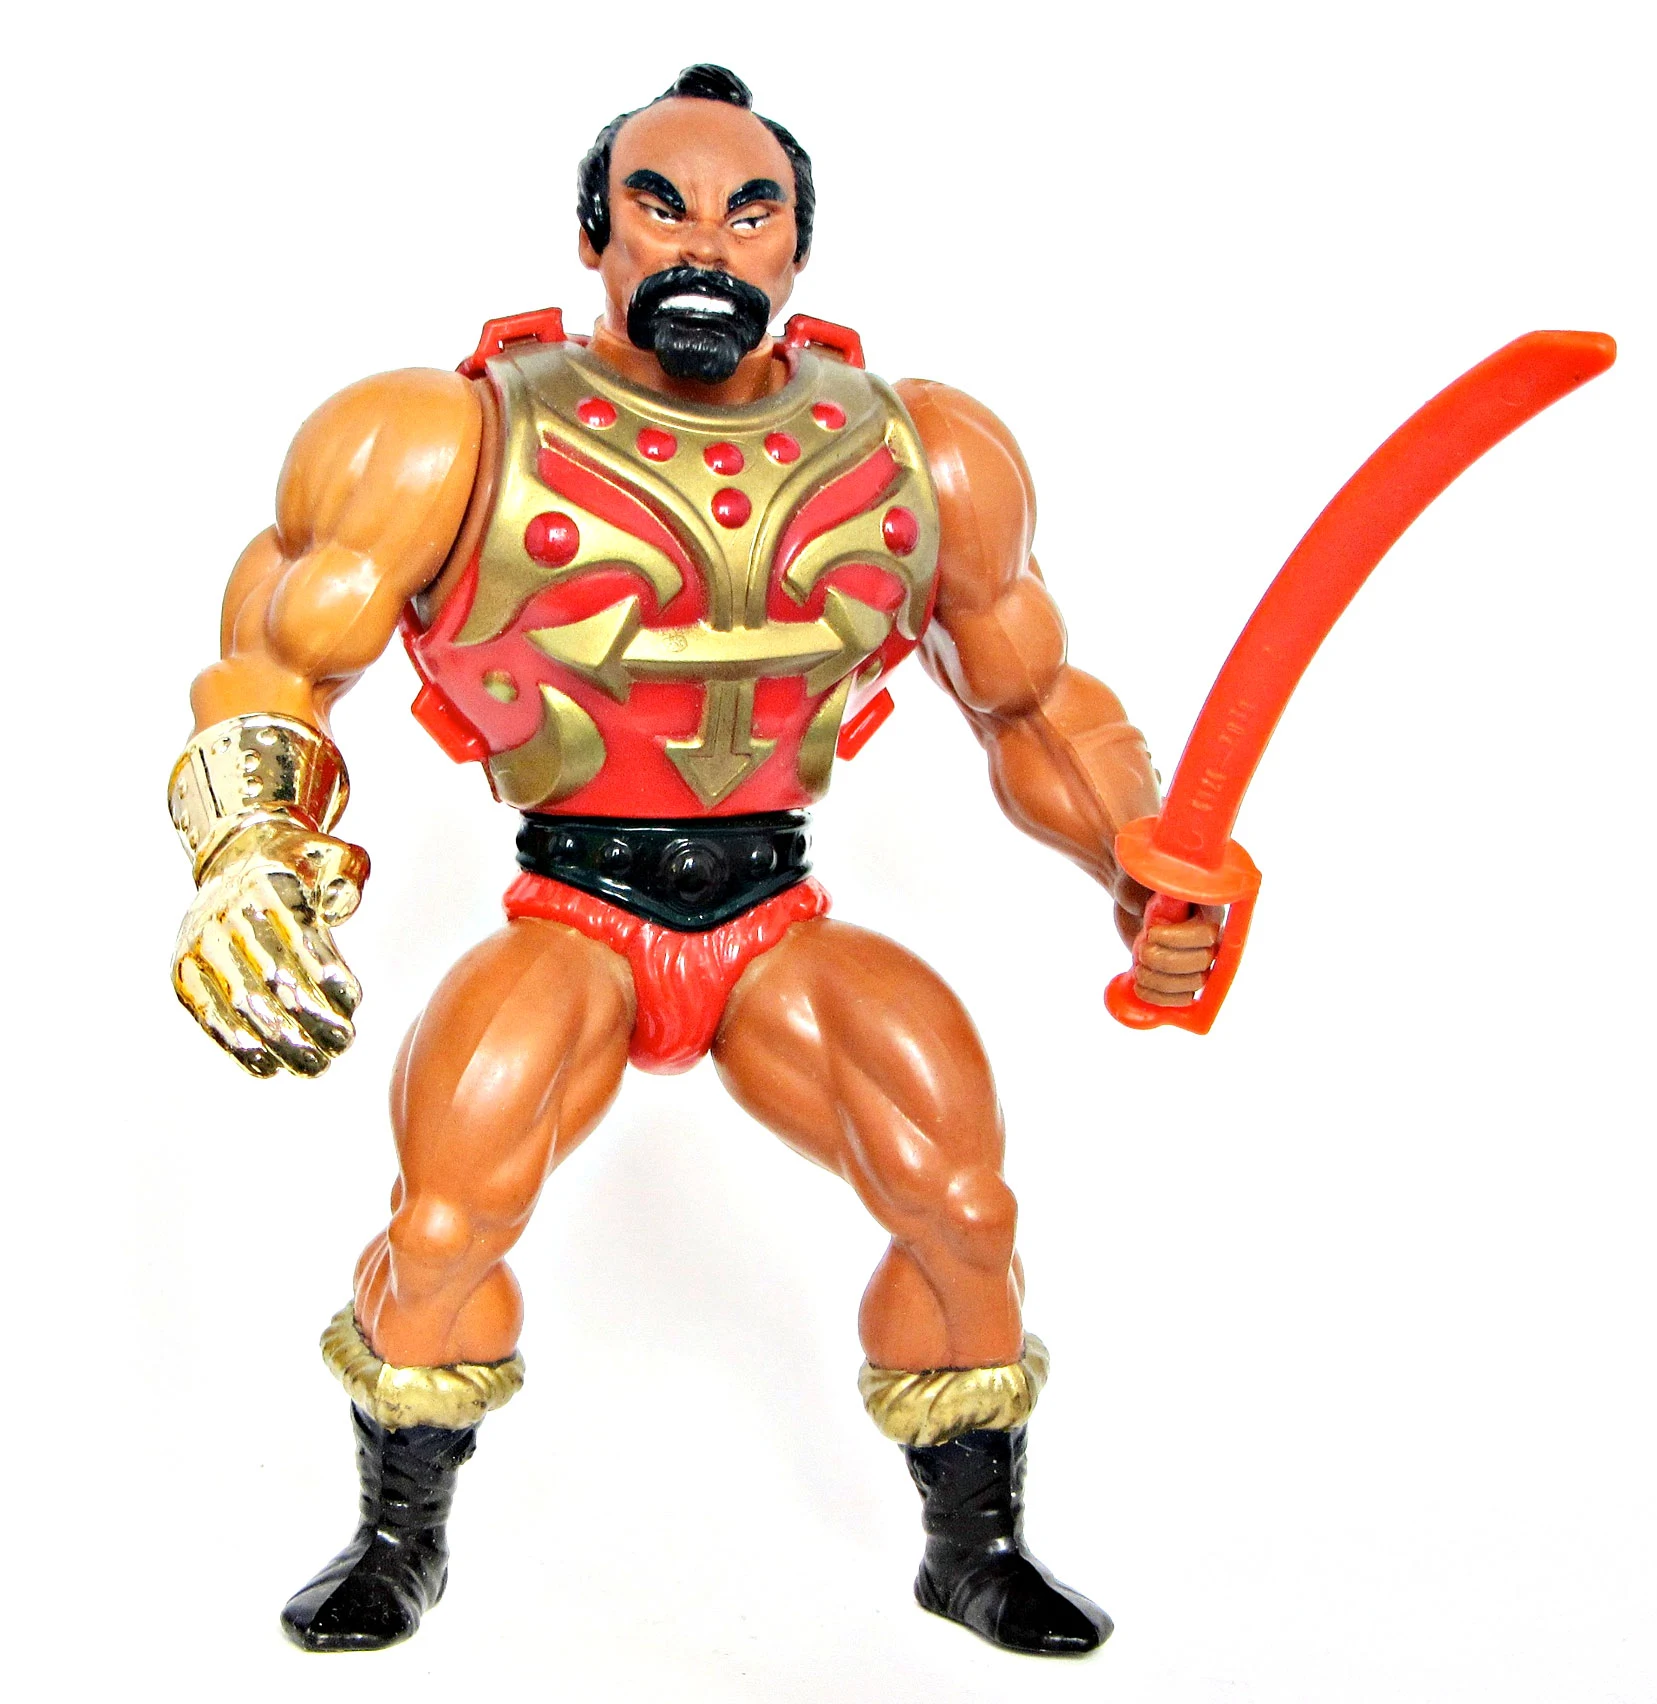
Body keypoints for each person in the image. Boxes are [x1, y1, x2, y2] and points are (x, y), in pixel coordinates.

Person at [168, 63, 1219, 1658]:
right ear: (594, 234)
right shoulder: (445, 433)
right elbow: (272, 663)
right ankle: (397, 1538)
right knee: (444, 1224)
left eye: (751, 211)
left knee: (963, 1203)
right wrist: (247, 851)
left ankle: (975, 1547)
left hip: (776, 911)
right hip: (572, 904)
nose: (707, 245)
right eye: (661, 207)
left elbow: (1034, 701)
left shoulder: (922, 449)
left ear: (799, 245)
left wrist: (1138, 862)